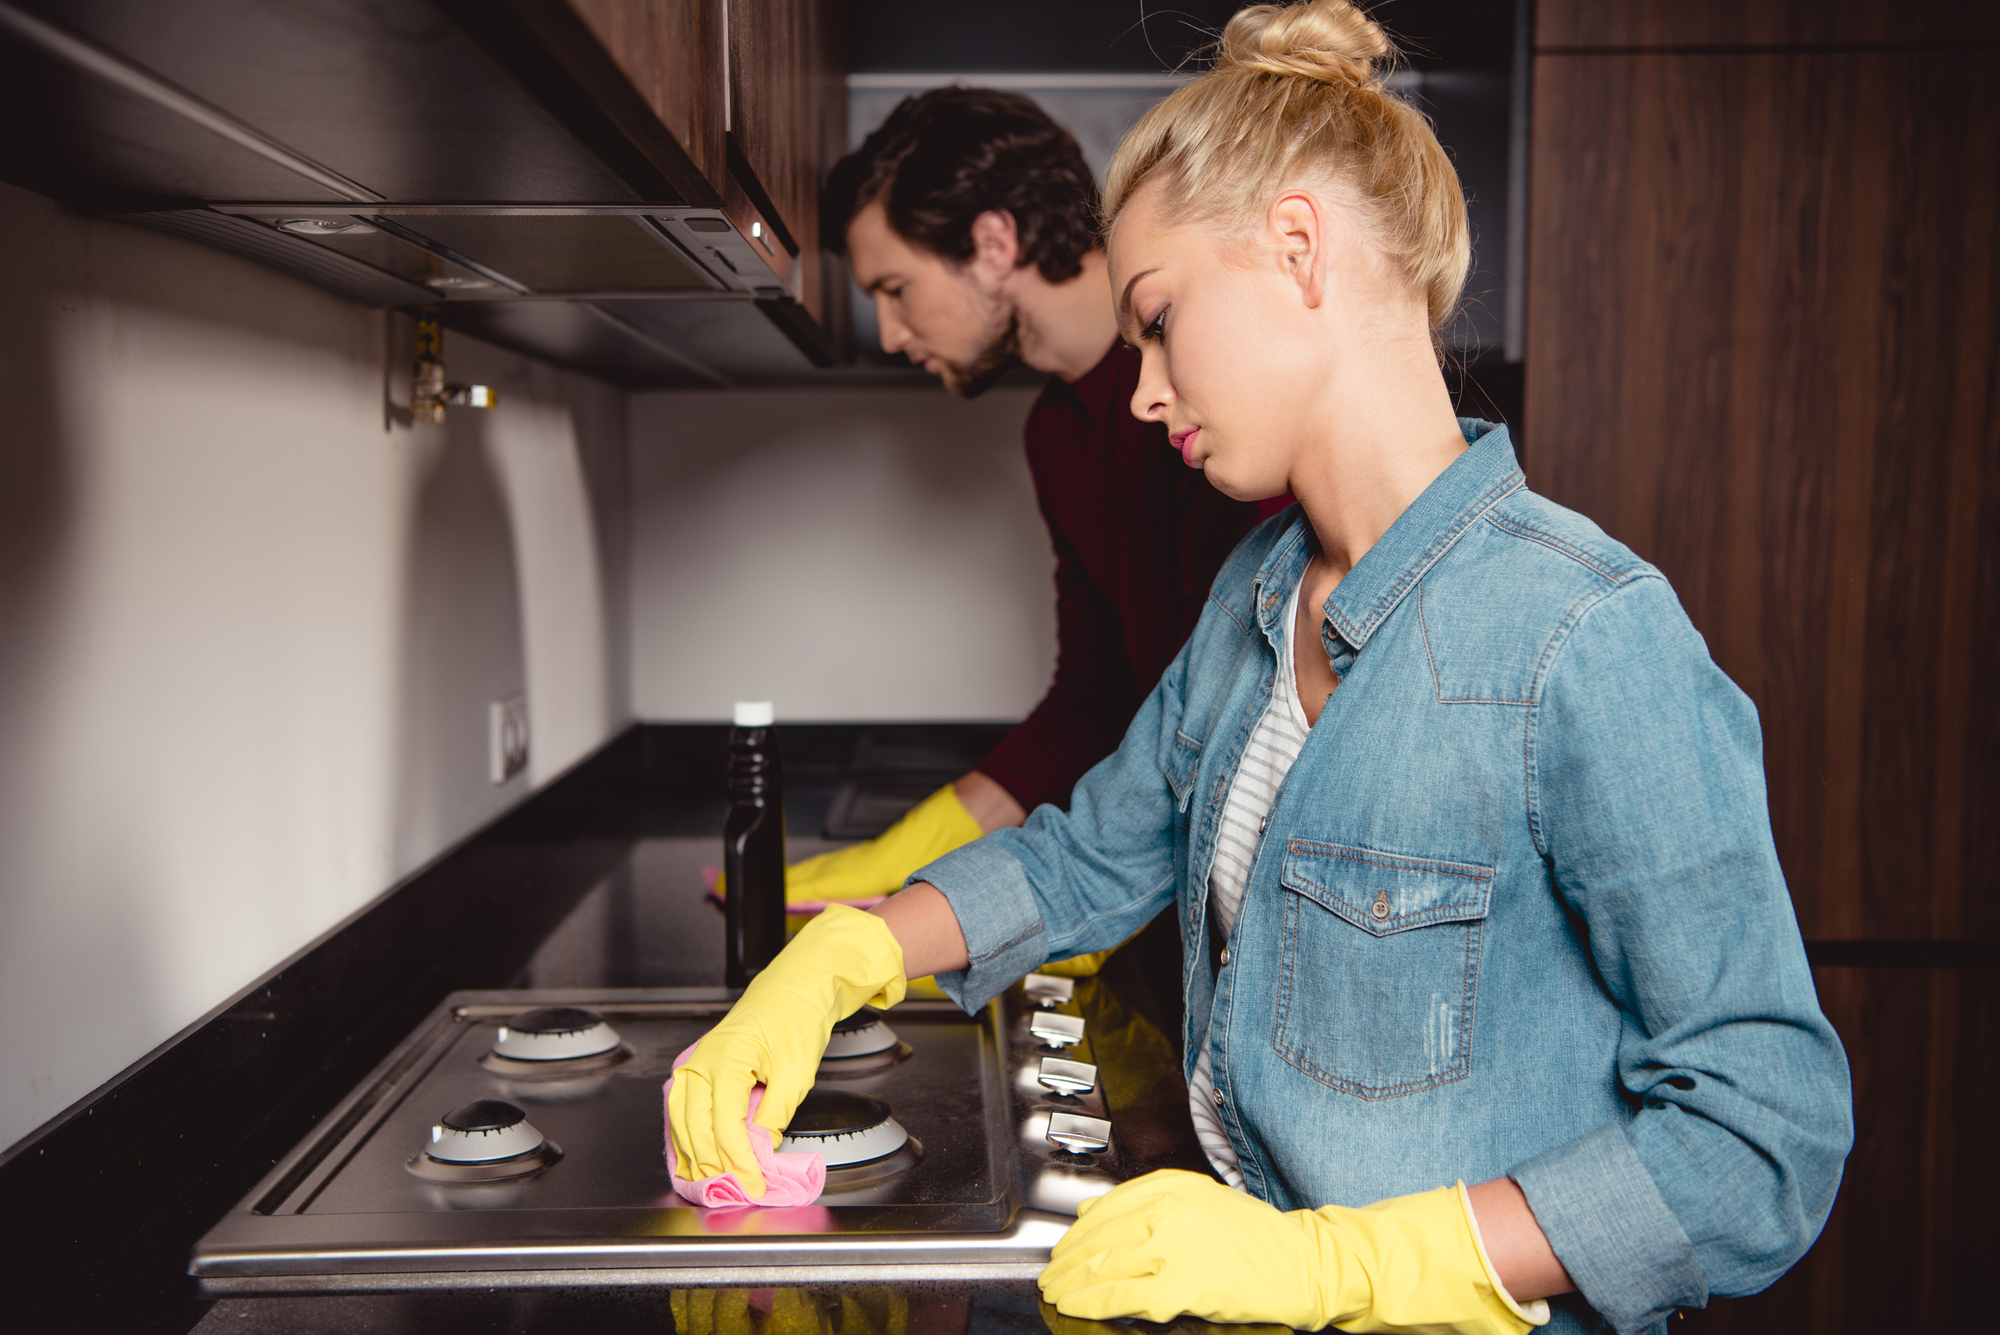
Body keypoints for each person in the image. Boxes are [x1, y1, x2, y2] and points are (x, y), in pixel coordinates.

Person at [670, 4, 1853, 1332]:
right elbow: (1088, 855)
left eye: (1163, 323)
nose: (1142, 389)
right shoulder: (1257, 594)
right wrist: (849, 952)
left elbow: (1761, 1144)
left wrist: (1351, 1265)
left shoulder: (1585, 634)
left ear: (1300, 250)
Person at [757, 89, 1275, 983]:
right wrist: (901, 864)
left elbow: (1245, 710)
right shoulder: (1058, 430)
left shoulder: (1206, 396)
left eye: (895, 288)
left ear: (994, 244)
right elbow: (1094, 698)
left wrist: (1037, 911)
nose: (888, 332)